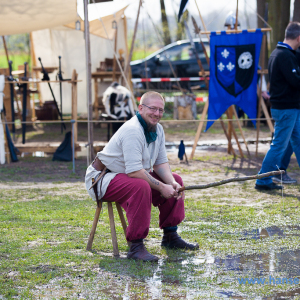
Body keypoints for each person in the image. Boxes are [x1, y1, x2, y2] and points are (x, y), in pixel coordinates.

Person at [85, 91, 199, 261]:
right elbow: (135, 171)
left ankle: (170, 236)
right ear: (140, 108)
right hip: (102, 179)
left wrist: (172, 183)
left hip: (126, 176)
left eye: (161, 110)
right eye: (153, 109)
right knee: (141, 186)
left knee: (177, 180)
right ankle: (136, 246)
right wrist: (161, 187)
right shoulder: (132, 130)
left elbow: (160, 163)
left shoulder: (158, 129)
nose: (157, 114)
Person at [255, 22, 300, 190]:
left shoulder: (279, 53)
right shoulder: (284, 55)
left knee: (298, 142)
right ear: (299, 37)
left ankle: (264, 179)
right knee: (279, 145)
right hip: (286, 108)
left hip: (288, 108)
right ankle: (263, 180)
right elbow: (295, 81)